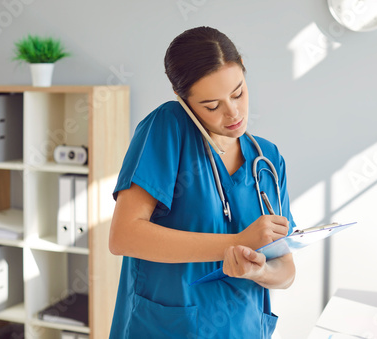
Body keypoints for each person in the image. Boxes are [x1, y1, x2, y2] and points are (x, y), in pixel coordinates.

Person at [108, 26, 296, 338]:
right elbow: (124, 235)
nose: (233, 112)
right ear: (183, 100)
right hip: (169, 329)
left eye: (238, 93)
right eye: (212, 105)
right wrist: (237, 243)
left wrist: (258, 269)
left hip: (244, 329)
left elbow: (286, 271)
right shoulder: (169, 128)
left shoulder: (267, 159)